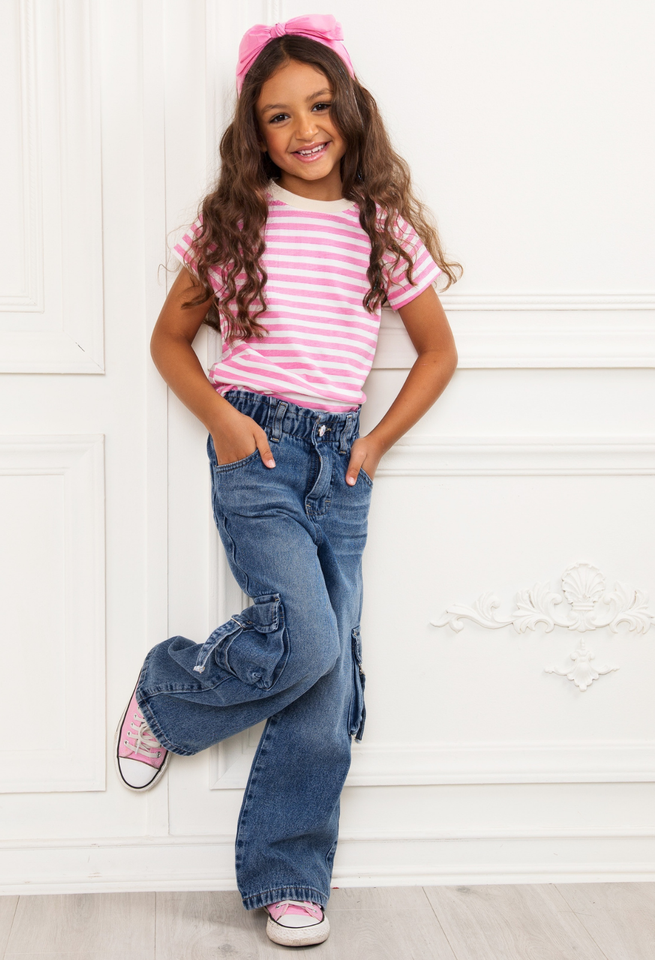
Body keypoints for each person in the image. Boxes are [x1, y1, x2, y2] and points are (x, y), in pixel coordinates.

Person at [116, 14, 460, 948]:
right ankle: (168, 696)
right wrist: (226, 423)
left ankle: (288, 877)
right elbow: (169, 340)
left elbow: (437, 352)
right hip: (258, 453)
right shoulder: (238, 224)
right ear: (255, 134)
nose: (305, 128)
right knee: (307, 639)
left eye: (318, 105)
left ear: (350, 108)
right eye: (278, 116)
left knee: (325, 680)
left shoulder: (382, 228)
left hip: (341, 463)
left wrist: (375, 443)